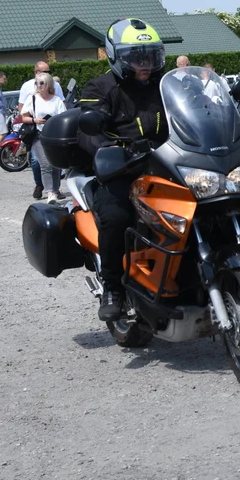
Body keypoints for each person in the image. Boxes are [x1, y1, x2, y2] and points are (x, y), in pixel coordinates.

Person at [79, 18, 168, 322]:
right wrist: (113, 149)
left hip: (166, 166)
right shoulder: (101, 87)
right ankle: (113, 287)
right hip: (121, 171)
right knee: (115, 217)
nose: (145, 64)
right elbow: (88, 129)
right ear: (116, 55)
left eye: (151, 56)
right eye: (136, 57)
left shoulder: (165, 83)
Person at [20, 72, 67, 202]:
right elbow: (24, 117)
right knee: (45, 164)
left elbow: (63, 117)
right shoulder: (33, 98)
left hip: (54, 136)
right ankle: (50, 192)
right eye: (37, 83)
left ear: (48, 85)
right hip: (38, 135)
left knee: (56, 165)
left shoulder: (56, 100)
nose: (38, 86)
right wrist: (35, 120)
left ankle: (56, 189)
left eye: (41, 83)